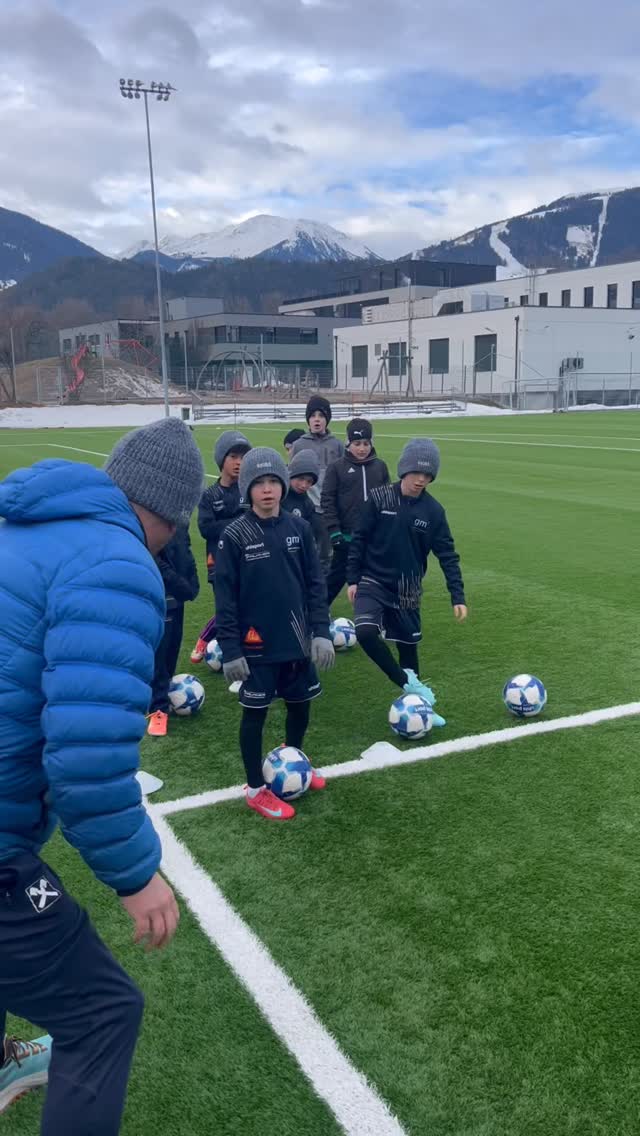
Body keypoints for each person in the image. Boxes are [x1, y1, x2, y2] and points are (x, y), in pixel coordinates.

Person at [0, 416, 204, 1130]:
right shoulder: (118, 565)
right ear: (173, 521)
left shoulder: (20, 525)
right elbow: (86, 759)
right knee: (105, 1011)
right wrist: (136, 875)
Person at [215, 448, 335, 821]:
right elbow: (225, 599)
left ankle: (293, 759)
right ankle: (255, 788)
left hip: (297, 643)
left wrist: (321, 632)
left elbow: (315, 585)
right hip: (256, 648)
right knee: (255, 716)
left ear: (282, 486)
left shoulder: (298, 529)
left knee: (301, 707)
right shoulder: (234, 536)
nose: (267, 490)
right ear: (248, 489)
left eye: (273, 482)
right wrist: (232, 648)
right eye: (259, 483)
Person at [347, 438, 467, 726]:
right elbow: (359, 539)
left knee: (408, 651)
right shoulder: (378, 499)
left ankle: (419, 710)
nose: (421, 480)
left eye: (428, 475)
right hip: (372, 580)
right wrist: (352, 579)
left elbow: (447, 555)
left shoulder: (433, 512)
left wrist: (457, 595)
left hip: (407, 590)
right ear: (404, 470)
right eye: (417, 473)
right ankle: (407, 683)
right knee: (364, 633)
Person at [190, 430, 252, 663]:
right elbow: (207, 528)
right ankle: (206, 640)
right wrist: (239, 521)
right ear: (221, 460)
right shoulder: (209, 495)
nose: (239, 462)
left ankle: (245, 654)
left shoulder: (250, 489)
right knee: (227, 609)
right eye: (233, 456)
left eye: (244, 457)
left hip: (249, 557)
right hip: (218, 561)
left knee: (249, 607)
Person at [321, 417, 390, 607]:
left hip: (373, 538)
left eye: (366, 443)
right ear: (348, 443)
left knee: (376, 579)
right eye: (357, 443)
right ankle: (315, 615)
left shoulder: (380, 467)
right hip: (346, 537)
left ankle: (377, 617)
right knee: (335, 578)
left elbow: (387, 501)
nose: (362, 448)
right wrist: (334, 531)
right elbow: (327, 500)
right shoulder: (337, 468)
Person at [147, 524, 200, 737]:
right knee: (160, 652)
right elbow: (153, 557)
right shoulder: (152, 519)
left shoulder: (181, 520)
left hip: (179, 594)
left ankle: (165, 693)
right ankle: (157, 709)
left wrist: (192, 581)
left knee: (172, 647)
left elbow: (185, 551)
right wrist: (177, 582)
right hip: (161, 592)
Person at [289, 396, 344, 571]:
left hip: (327, 509)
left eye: (321, 415)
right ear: (308, 419)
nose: (317, 419)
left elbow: (341, 477)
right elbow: (291, 476)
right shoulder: (298, 445)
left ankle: (322, 593)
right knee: (302, 549)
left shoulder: (337, 445)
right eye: (313, 415)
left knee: (325, 554)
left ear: (327, 419)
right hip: (305, 507)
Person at [281, 447, 325, 556]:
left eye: (309, 481)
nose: (304, 485)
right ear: (291, 474)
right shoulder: (278, 496)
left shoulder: (307, 503)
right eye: (300, 478)